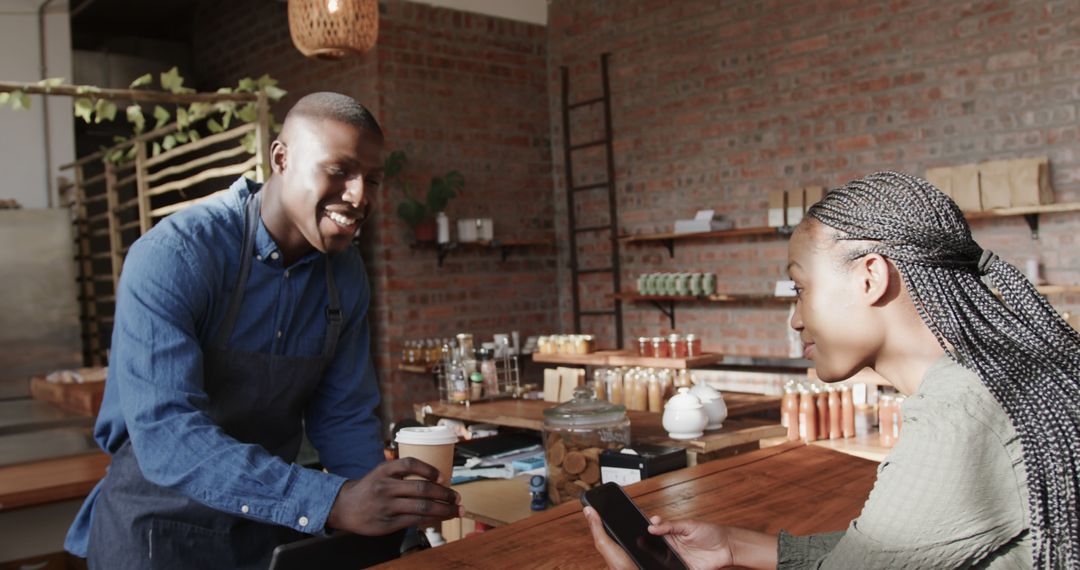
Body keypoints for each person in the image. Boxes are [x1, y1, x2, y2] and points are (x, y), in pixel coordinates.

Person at [585, 171, 1080, 569]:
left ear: (870, 278)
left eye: (800, 289)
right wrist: (735, 546)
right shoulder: (994, 378)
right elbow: (890, 551)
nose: (796, 318)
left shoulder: (960, 420)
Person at [64, 92, 462, 569]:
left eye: (372, 180)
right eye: (339, 170)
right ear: (281, 157)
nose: (360, 196)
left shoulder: (346, 275)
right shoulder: (176, 254)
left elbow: (343, 416)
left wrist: (394, 527)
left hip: (263, 533)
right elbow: (167, 434)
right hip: (155, 531)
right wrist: (332, 501)